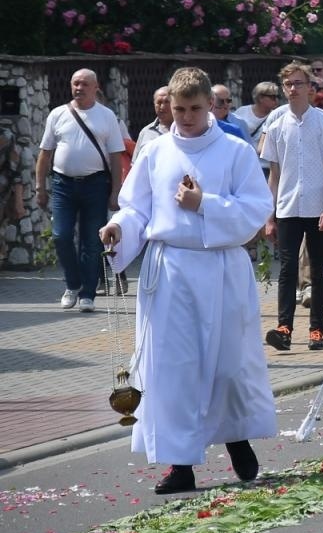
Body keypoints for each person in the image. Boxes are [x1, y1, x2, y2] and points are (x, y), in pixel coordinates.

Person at [98, 67, 275, 494]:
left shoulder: (234, 150)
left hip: (220, 269)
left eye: (195, 108)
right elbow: (137, 208)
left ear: (209, 106)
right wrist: (120, 227)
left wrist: (205, 204)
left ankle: (236, 435)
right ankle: (180, 464)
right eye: (179, 109)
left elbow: (255, 208)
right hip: (171, 272)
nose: (187, 117)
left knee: (228, 365)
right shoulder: (155, 153)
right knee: (172, 369)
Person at [259, 61, 323, 352]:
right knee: (287, 270)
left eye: (298, 83)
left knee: (319, 271)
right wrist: (269, 215)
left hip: (318, 205)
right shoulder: (276, 122)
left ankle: (317, 330)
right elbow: (274, 173)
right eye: (288, 84)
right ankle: (284, 328)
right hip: (287, 206)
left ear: (310, 87)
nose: (293, 89)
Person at [35, 68, 126, 313]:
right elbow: (45, 153)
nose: (79, 88)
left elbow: (116, 157)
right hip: (63, 184)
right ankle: (72, 284)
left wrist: (115, 191)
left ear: (95, 87)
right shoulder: (58, 114)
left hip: (96, 184)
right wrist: (39, 187)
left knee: (91, 241)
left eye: (85, 84)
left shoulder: (107, 116)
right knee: (60, 235)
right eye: (75, 83)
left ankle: (87, 294)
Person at [132, 86, 172, 165]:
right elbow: (135, 165)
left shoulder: (184, 130)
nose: (162, 107)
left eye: (167, 102)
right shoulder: (146, 132)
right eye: (159, 102)